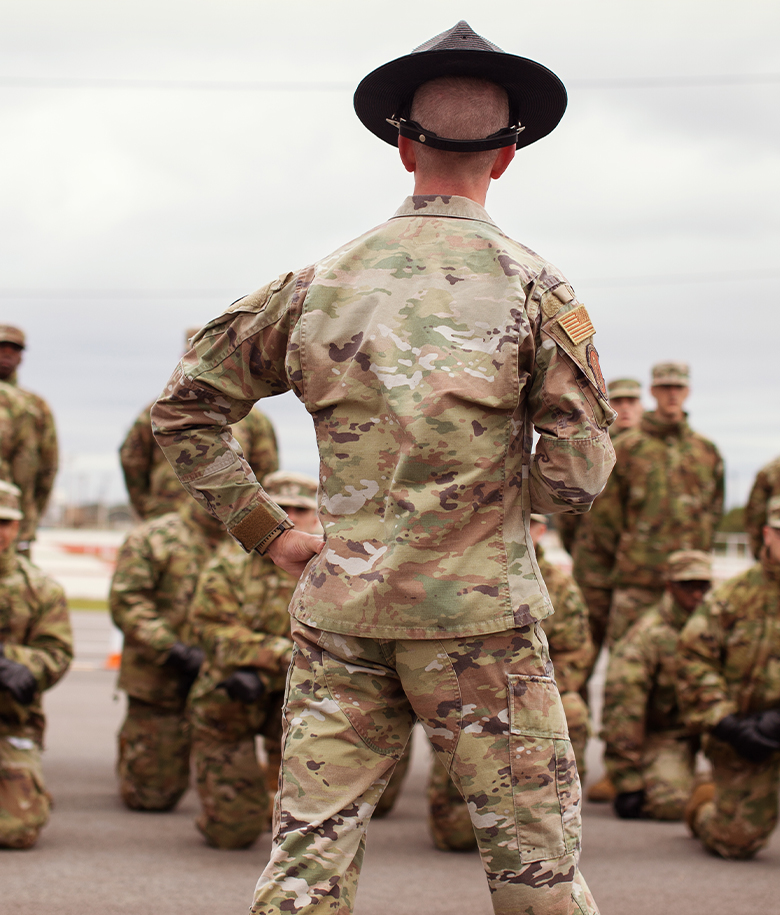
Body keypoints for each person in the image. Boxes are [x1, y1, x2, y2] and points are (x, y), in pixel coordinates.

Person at [152, 21, 615, 915]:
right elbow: (576, 481)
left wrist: (271, 533)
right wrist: (494, 497)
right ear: (508, 157)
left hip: (342, 614)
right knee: (536, 874)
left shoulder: (318, 283)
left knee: (305, 866)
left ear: (403, 147)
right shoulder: (538, 290)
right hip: (483, 623)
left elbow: (186, 407)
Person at [427, 513, 594, 851]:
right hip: (467, 694)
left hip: (528, 691)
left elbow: (576, 652)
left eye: (524, 522)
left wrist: (527, 693)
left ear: (540, 531)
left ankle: (551, 810)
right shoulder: (464, 570)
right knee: (456, 836)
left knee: (572, 710)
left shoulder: (558, 586)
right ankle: (461, 802)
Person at [188, 472, 320, 849]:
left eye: (301, 509)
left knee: (303, 837)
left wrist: (275, 661)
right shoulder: (227, 566)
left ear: (315, 515)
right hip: (231, 700)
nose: (291, 517)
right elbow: (211, 631)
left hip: (298, 702)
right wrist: (279, 654)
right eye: (282, 508)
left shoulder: (329, 568)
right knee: (234, 832)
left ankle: (271, 792)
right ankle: (239, 798)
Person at [109, 496, 228, 810]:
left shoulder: (250, 538)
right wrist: (173, 649)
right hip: (159, 677)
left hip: (226, 681)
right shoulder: (152, 538)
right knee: (150, 797)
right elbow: (128, 601)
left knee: (237, 815)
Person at [678, 495, 780, 860]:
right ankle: (705, 804)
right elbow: (693, 659)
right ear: (768, 534)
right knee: (734, 841)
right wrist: (728, 724)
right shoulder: (732, 597)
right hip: (745, 737)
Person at [598, 362, 723, 648]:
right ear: (653, 391)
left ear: (687, 391)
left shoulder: (706, 451)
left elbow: (714, 512)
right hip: (637, 581)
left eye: (678, 387)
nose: (672, 394)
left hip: (690, 585)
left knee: (687, 662)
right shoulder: (628, 449)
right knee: (625, 666)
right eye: (665, 387)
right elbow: (605, 521)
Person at [120, 328, 279, 521]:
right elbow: (132, 459)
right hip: (169, 523)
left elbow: (266, 472)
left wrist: (250, 515)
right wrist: (149, 506)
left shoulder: (253, 418)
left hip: (229, 527)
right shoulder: (161, 410)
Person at [600, 550, 712, 821]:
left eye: (703, 586)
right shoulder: (646, 636)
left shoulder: (717, 625)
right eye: (688, 586)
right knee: (670, 804)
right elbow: (623, 709)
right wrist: (627, 780)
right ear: (670, 587)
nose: (697, 594)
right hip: (667, 734)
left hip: (713, 726)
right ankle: (696, 791)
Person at [0, 480, 72, 848]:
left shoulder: (41, 589)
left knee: (15, 831)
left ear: (17, 527)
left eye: (4, 521)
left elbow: (57, 652)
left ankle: (29, 789)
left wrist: (18, 665)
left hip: (12, 719)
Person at [0, 325, 58, 555]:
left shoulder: (35, 407)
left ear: (21, 356)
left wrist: (29, 514)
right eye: (1, 347)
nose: (6, 354)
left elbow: (48, 468)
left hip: (14, 523)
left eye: (13, 349)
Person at [745, 454, 780, 559]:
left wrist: (759, 554)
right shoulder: (771, 471)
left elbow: (755, 516)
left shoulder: (772, 470)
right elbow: (755, 514)